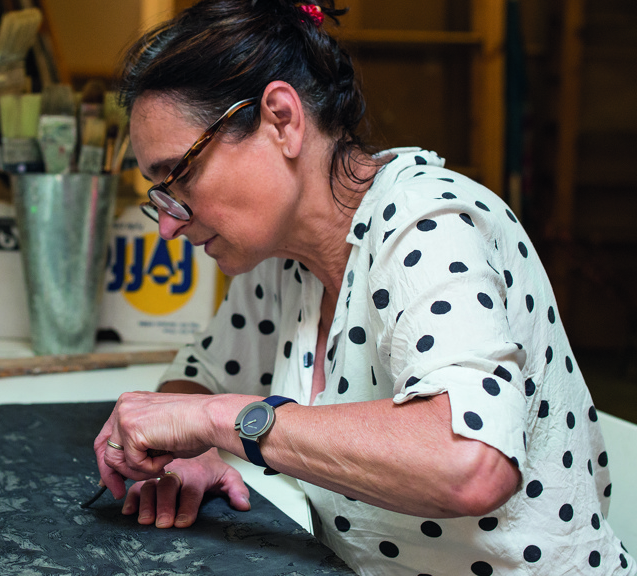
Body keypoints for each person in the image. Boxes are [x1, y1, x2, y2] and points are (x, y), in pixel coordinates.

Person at [92, 1, 634, 574]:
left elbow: (471, 461)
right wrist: (191, 451)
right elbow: (197, 384)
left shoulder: (428, 222)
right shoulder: (280, 259)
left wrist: (221, 423)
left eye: (179, 175)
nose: (171, 223)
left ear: (281, 119)